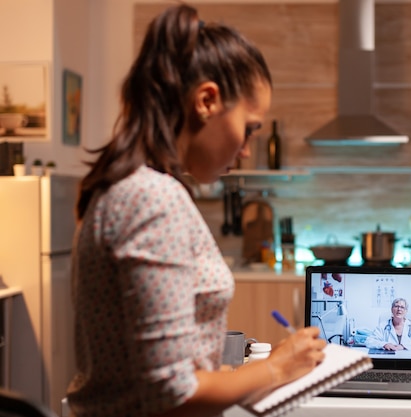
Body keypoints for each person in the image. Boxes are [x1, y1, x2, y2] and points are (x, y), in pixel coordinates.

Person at [66, 4, 326, 417]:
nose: (244, 151)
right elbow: (172, 394)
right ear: (207, 100)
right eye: (249, 128)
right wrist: (277, 367)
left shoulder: (133, 188)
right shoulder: (152, 200)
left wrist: (235, 372)